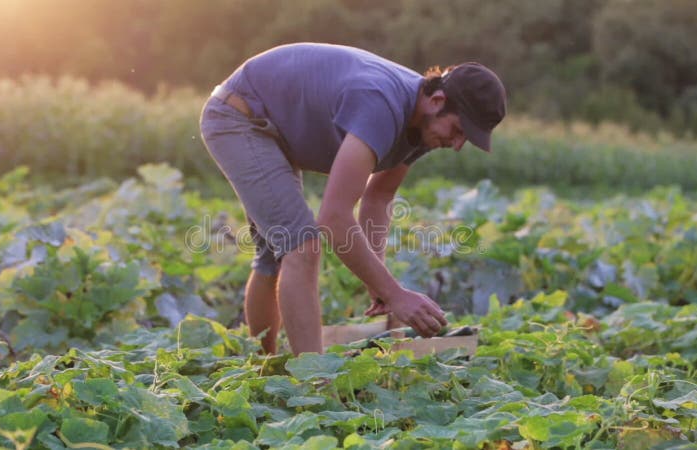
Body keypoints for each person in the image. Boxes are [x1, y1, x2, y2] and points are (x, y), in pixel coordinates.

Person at [199, 43, 506, 355]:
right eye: (457, 130)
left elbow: (378, 197)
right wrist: (395, 293)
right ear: (437, 100)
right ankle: (314, 386)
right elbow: (334, 218)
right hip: (239, 116)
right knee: (300, 245)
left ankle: (266, 367)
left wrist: (379, 285)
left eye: (464, 139)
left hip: (274, 128)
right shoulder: (382, 106)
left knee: (275, 252)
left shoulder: (424, 121)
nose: (456, 145)